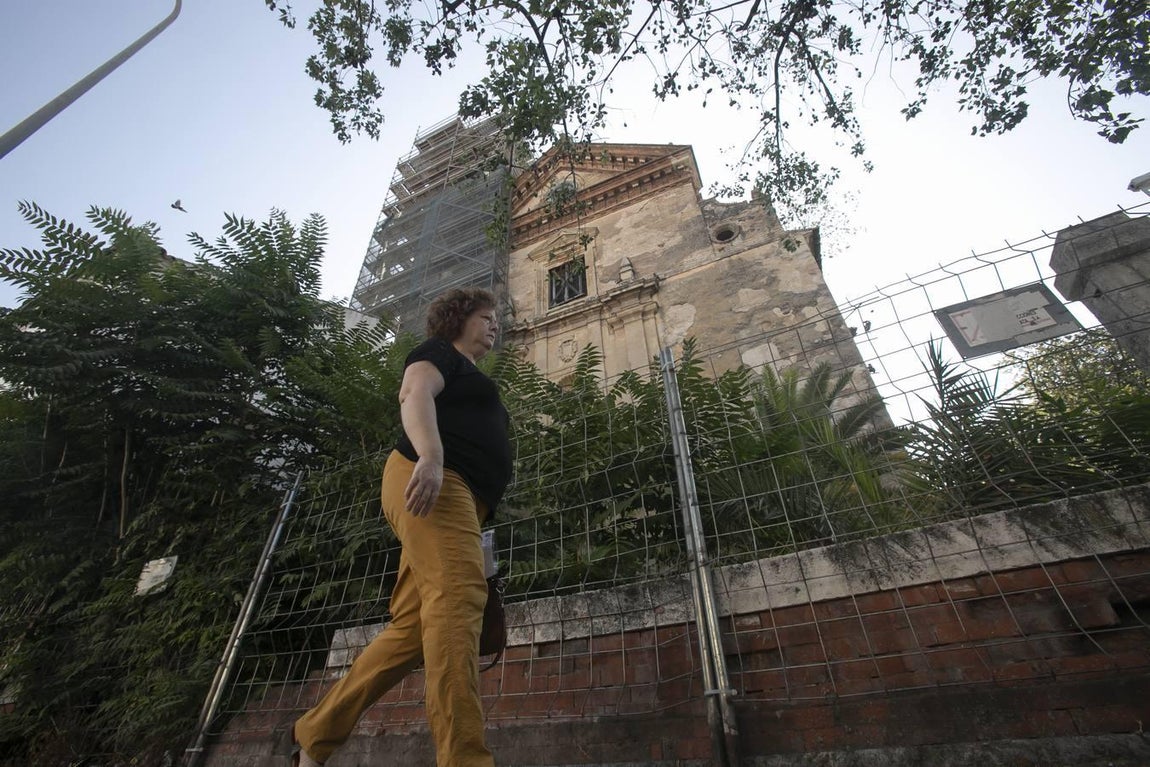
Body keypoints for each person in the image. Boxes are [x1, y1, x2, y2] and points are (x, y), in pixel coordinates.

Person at [292, 288, 512, 767]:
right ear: (459, 319)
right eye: (486, 317)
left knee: (413, 627)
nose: (495, 324)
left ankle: (315, 737)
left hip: (460, 501)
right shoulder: (439, 353)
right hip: (435, 482)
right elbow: (414, 394)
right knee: (457, 603)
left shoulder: (471, 372)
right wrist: (432, 459)